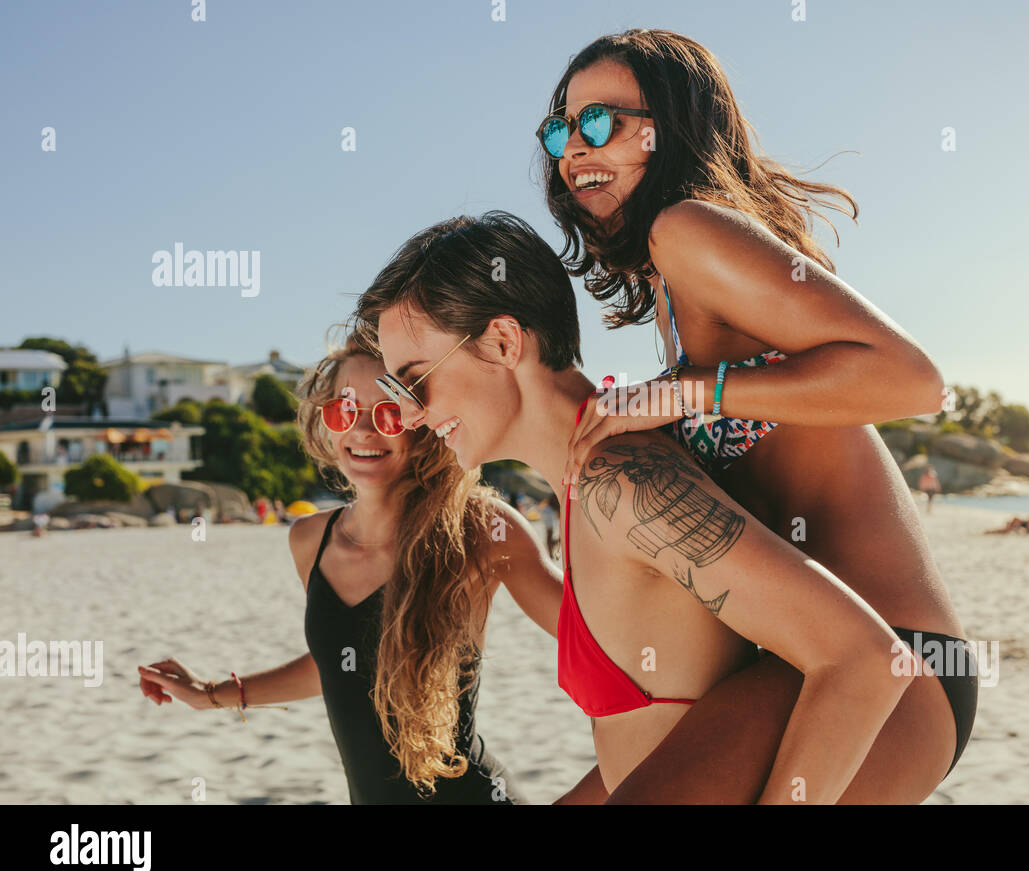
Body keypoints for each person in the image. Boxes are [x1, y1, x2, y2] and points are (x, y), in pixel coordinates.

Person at [534, 29, 975, 801]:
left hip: (896, 661)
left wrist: (688, 394)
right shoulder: (675, 281)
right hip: (807, 660)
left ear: (669, 127)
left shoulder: (686, 229)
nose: (574, 146)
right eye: (560, 128)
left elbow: (914, 381)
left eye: (599, 121)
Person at [356, 212, 922, 805]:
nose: (410, 414)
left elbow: (865, 658)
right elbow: (656, 746)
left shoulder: (621, 482)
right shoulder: (587, 485)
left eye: (414, 381)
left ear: (503, 342)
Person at [137, 328, 565, 804]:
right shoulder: (310, 540)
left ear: (421, 419)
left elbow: (603, 644)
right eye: (345, 409)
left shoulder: (479, 529)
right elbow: (341, 666)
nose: (362, 430)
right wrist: (209, 693)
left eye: (388, 411)